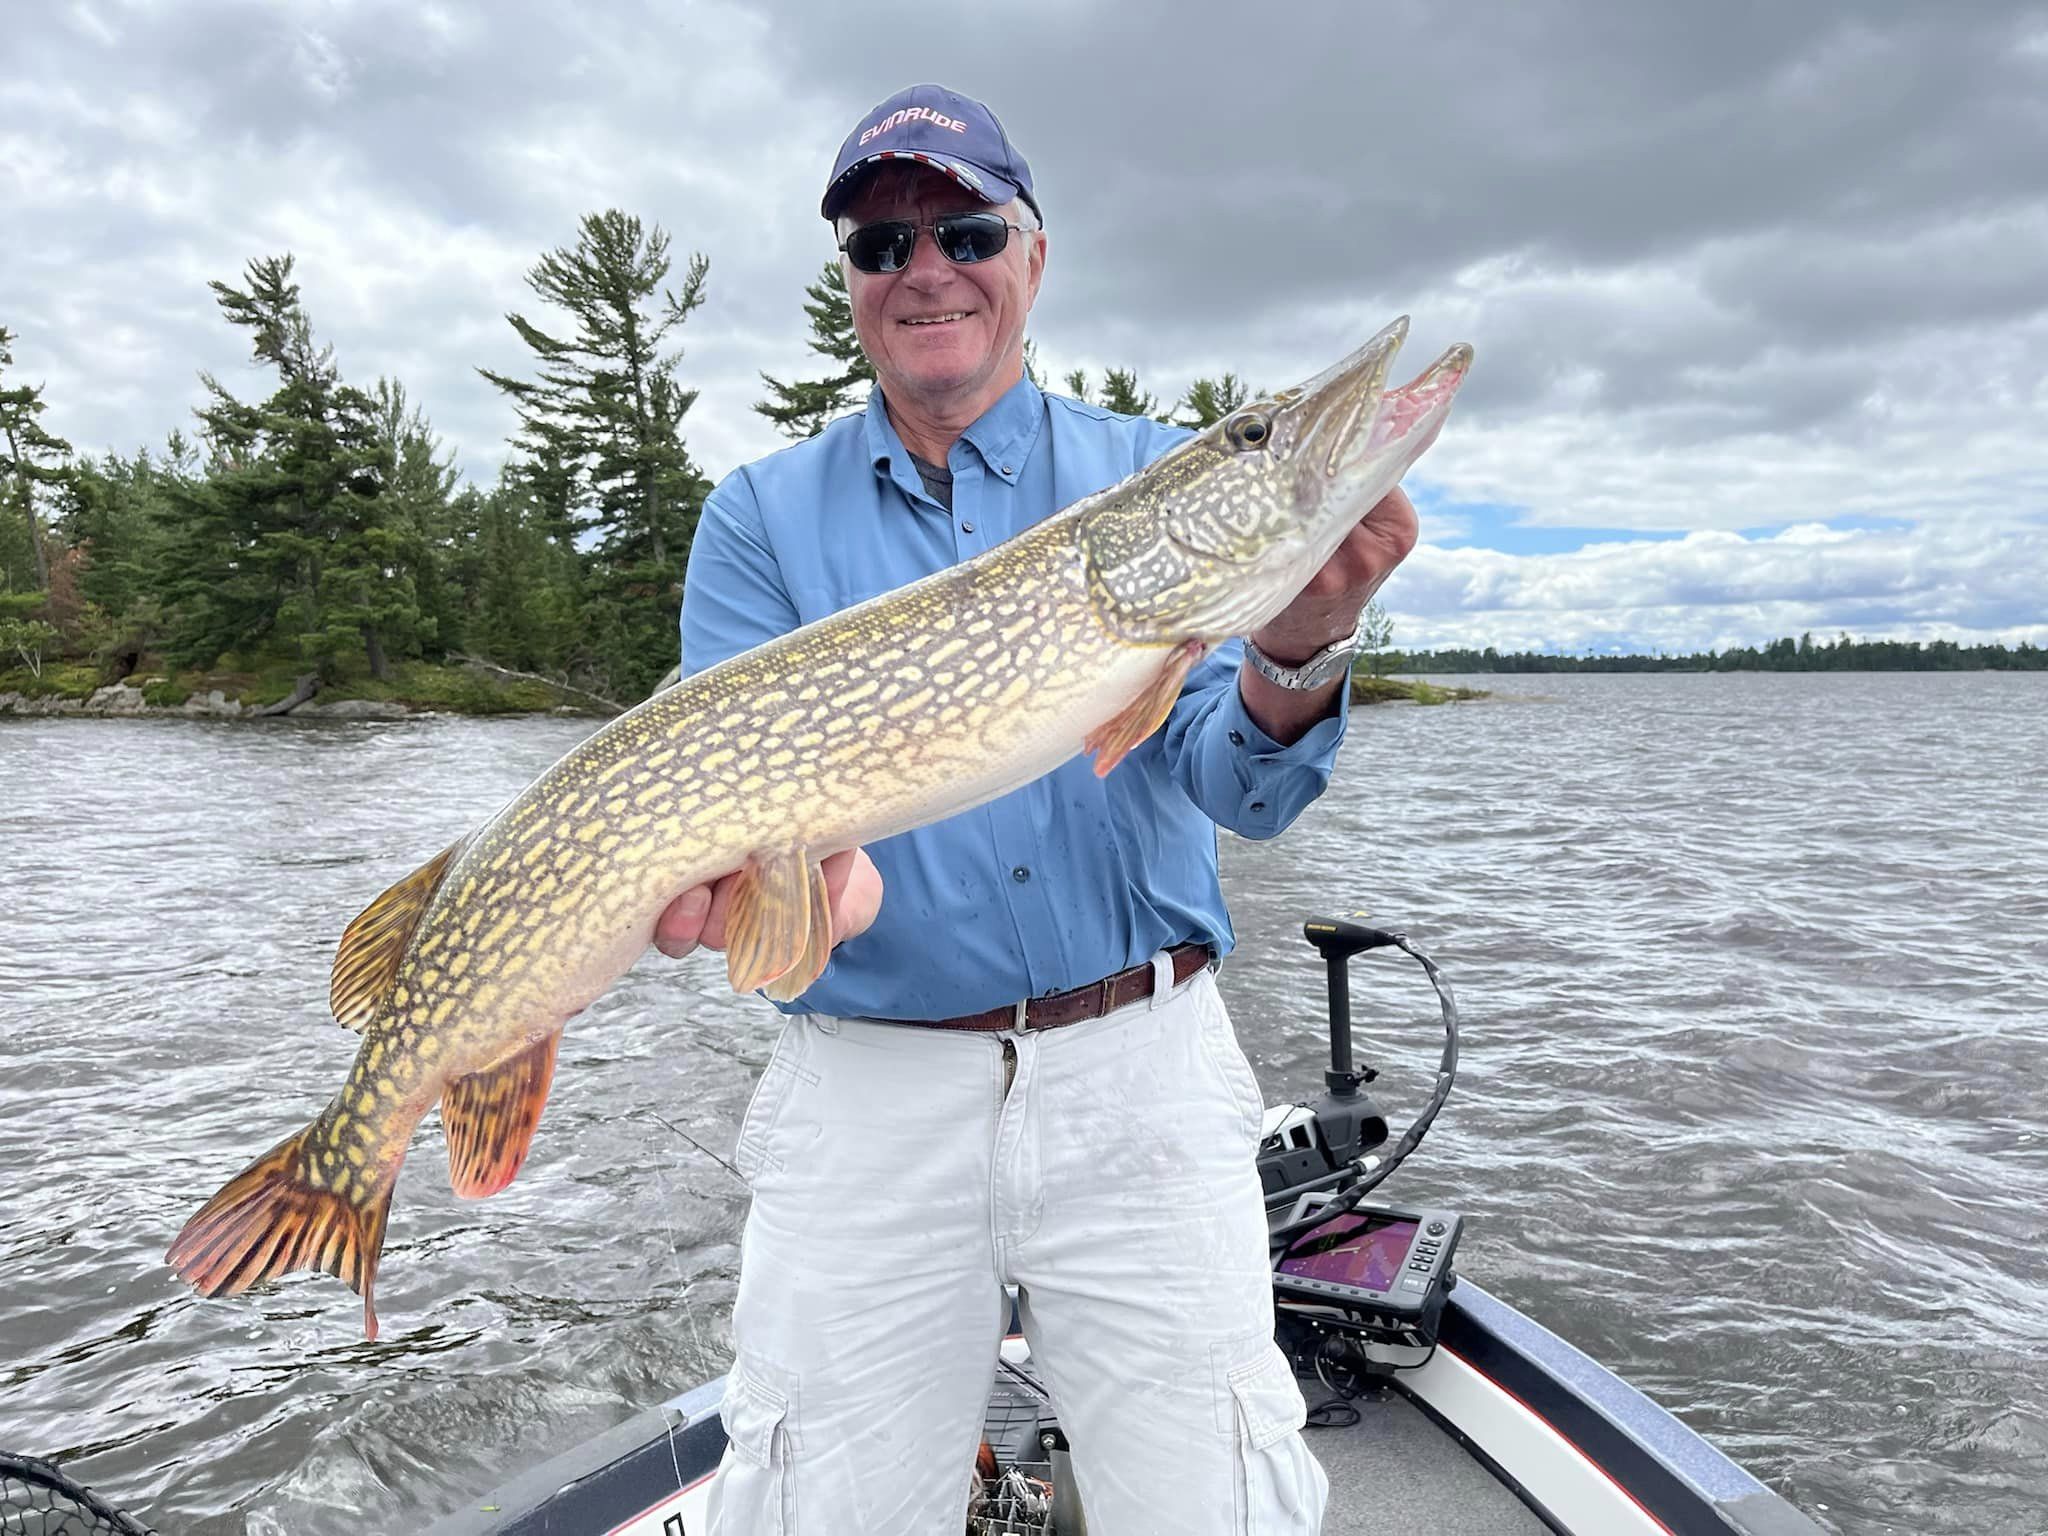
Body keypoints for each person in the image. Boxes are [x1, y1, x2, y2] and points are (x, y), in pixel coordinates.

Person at [656, 83, 1418, 1535]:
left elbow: (1240, 787)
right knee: (823, 1510)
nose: (925, 268)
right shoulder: (758, 516)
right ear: (853, 282)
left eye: (966, 231)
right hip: (870, 1092)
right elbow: (741, 828)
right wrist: (787, 898)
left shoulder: (1143, 481)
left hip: (1143, 1078)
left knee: (1217, 1507)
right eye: (883, 244)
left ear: (1034, 256)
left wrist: (1299, 646)